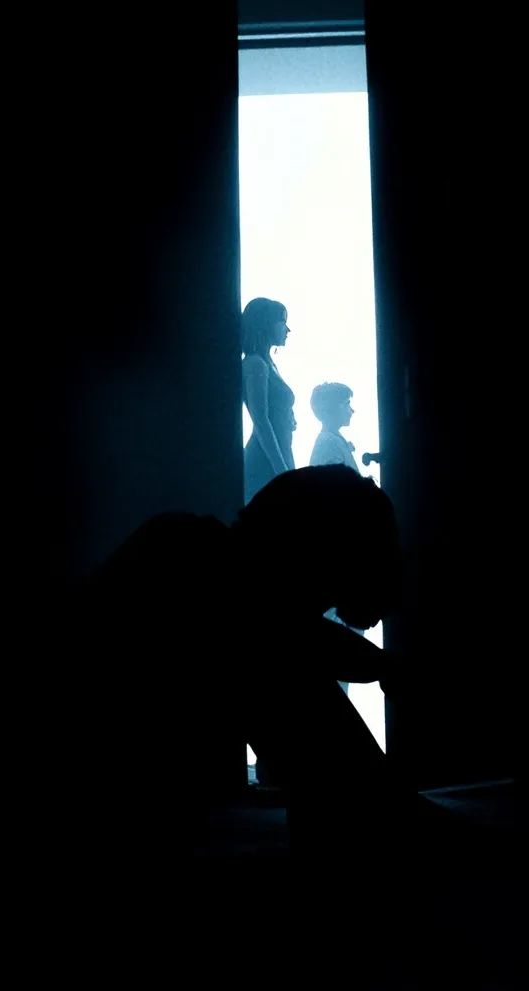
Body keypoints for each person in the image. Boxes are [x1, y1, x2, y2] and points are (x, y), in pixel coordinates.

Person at [75, 465, 472, 858]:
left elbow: (291, 633)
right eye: (369, 558)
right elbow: (293, 644)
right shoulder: (223, 603)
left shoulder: (194, 564)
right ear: (319, 554)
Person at [241, 297, 296, 505]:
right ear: (265, 324)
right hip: (266, 461)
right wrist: (282, 472)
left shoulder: (268, 363)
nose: (287, 329)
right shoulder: (256, 364)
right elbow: (261, 421)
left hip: (278, 454)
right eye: (282, 321)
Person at [307, 382, 360, 473]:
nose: (352, 410)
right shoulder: (330, 443)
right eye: (347, 404)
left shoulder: (330, 440)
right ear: (330, 409)